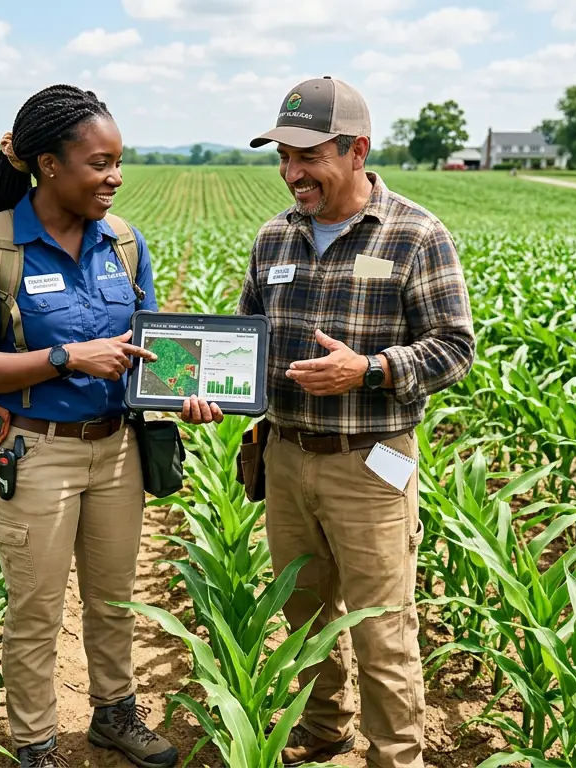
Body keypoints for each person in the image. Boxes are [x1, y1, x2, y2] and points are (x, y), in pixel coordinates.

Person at [182, 76, 475, 768]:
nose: (292, 173)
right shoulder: (274, 239)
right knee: (304, 615)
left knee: (382, 628)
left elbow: (455, 349)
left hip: (373, 461)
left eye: (307, 156)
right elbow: (246, 343)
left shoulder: (414, 235)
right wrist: (201, 390)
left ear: (357, 150)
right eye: (283, 156)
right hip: (286, 457)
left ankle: (396, 757)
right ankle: (324, 730)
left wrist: (368, 370)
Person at [0, 84, 178, 768]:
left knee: (113, 600)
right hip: (33, 454)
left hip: (116, 453)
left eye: (118, 161)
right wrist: (63, 357)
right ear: (48, 165)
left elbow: (152, 351)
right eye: (99, 163)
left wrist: (192, 391)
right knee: (36, 612)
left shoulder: (126, 245)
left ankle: (114, 716)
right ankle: (36, 746)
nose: (115, 176)